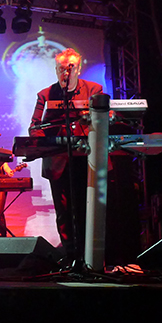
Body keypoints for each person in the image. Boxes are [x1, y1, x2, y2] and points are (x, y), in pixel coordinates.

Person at [29, 48, 103, 259]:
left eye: (70, 68)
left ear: (78, 69)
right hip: (58, 161)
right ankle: (70, 257)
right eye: (61, 69)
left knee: (86, 208)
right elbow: (34, 127)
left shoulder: (94, 89)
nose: (65, 73)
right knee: (64, 212)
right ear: (56, 70)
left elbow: (101, 121)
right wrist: (48, 141)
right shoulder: (45, 94)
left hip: (86, 159)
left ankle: (90, 256)